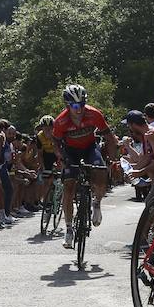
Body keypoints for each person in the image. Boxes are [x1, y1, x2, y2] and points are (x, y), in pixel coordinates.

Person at [53, 84, 118, 249]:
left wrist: (111, 159)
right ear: (68, 106)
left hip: (90, 148)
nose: (79, 109)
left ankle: (96, 203)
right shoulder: (61, 121)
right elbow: (56, 143)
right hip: (70, 151)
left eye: (81, 104)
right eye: (75, 106)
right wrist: (61, 157)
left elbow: (109, 138)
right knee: (68, 187)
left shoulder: (94, 114)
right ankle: (68, 229)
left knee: (101, 172)